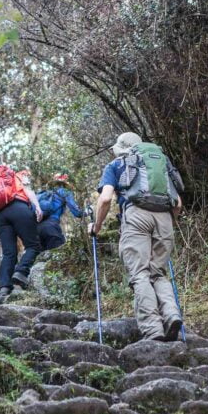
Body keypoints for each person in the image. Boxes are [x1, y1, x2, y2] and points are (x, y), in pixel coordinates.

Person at [88, 132, 185, 341]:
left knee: (140, 273)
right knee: (157, 273)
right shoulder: (160, 162)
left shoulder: (116, 164)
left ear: (120, 148)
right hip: (165, 219)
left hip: (136, 216)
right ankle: (171, 315)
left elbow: (105, 199)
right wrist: (170, 224)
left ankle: (153, 329)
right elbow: (177, 204)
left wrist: (96, 227)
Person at [0, 165, 43, 293]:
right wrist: (38, 207)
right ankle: (21, 272)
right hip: (19, 207)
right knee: (34, 246)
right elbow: (28, 190)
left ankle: (4, 286)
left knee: (9, 252)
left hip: (0, 215)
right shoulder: (20, 175)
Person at [36, 173, 85, 250]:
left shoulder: (44, 194)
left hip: (37, 229)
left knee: (42, 259)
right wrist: (88, 212)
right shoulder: (64, 191)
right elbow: (77, 213)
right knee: (59, 254)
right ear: (65, 183)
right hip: (51, 228)